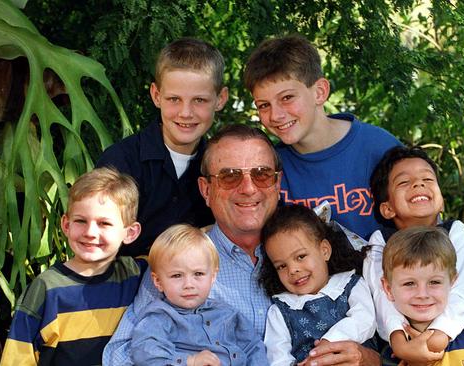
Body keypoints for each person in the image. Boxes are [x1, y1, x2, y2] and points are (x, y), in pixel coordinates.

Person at [104, 124, 381, 366]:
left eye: (261, 174)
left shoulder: (321, 240)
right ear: (205, 190)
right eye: (230, 176)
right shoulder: (180, 261)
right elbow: (120, 353)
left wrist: (369, 359)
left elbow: (395, 321)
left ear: (276, 183)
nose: (248, 188)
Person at [243, 34, 401, 240]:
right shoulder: (271, 166)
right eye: (264, 105)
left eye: (287, 98)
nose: (276, 115)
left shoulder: (379, 148)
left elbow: (423, 222)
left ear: (320, 92)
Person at [97, 37, 228, 257]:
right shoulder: (120, 161)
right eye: (174, 99)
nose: (186, 112)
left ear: (220, 99)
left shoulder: (221, 166)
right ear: (156, 96)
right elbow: (97, 240)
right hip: (126, 284)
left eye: (199, 100)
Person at [0, 167, 145, 365]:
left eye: (104, 223)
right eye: (80, 221)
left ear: (130, 233)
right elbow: (18, 356)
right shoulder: (47, 288)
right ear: (66, 225)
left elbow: (179, 255)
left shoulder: (135, 275)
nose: (90, 232)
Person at [363, 146, 464, 364]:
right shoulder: (380, 241)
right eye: (404, 182)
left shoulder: (457, 233)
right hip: (398, 349)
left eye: (427, 179)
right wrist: (401, 344)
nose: (418, 184)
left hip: (460, 338)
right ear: (387, 208)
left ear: (441, 200)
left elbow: (463, 291)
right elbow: (380, 296)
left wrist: (437, 338)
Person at [130, 224, 267, 365]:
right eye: (177, 275)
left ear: (213, 276)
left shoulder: (228, 314)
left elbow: (253, 347)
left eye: (198, 274)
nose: (189, 284)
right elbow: (144, 351)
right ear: (158, 281)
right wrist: (189, 361)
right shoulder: (160, 317)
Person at [380, 226, 464, 365]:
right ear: (388, 289)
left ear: (452, 282)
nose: (422, 294)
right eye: (409, 283)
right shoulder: (391, 355)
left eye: (434, 282)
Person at [260, 205, 376, 365]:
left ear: (325, 250)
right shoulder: (281, 310)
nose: (292, 270)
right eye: (281, 266)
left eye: (300, 256)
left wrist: (329, 342)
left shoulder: (350, 284)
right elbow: (277, 356)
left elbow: (364, 320)